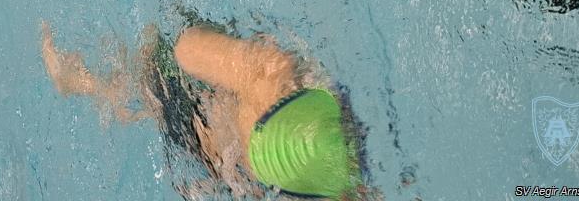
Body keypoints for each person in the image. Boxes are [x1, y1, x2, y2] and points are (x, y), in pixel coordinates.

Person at [42, 23, 365, 199]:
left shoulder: (270, 73)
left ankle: (83, 83)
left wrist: (202, 37)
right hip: (226, 163)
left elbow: (185, 49)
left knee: (152, 65)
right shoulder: (337, 181)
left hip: (201, 127)